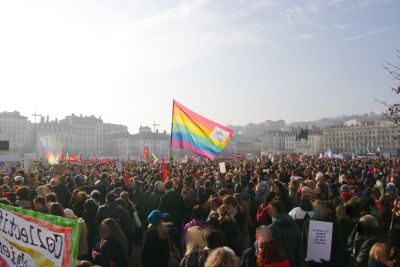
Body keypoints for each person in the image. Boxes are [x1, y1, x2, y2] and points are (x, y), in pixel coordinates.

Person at [269, 201, 303, 267]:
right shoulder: (296, 226)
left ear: (273, 210)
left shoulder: (271, 229)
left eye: (269, 209)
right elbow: (300, 250)